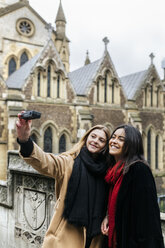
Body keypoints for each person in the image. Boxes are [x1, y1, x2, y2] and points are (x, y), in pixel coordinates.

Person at [16, 114, 111, 248]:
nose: (96, 141)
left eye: (101, 140)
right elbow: (45, 162)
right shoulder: (69, 162)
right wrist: (25, 140)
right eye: (93, 136)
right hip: (65, 238)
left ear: (105, 146)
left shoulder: (107, 171)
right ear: (86, 138)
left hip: (95, 238)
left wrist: (107, 215)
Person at [101, 124, 164, 248]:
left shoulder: (139, 170)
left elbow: (148, 218)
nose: (114, 141)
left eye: (121, 139)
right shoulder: (113, 173)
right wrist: (108, 216)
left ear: (132, 144)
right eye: (113, 137)